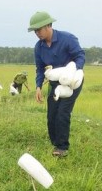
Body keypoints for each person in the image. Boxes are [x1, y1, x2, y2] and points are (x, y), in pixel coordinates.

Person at [28, 11, 85, 157]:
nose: (37, 33)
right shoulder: (39, 47)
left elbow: (80, 56)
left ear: (48, 25)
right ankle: (55, 142)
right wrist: (38, 87)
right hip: (55, 83)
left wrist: (72, 71)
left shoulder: (67, 39)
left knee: (62, 113)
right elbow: (40, 68)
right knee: (52, 114)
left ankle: (62, 148)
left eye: (39, 29)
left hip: (72, 82)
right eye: (35, 31)